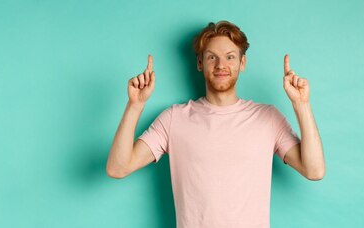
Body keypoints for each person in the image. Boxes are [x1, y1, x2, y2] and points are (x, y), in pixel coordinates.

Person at [106, 20, 325, 228]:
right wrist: (135, 105)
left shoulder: (267, 118)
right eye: (212, 57)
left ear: (242, 63)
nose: (221, 65)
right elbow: (118, 167)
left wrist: (301, 104)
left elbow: (314, 170)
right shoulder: (174, 119)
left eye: (230, 57)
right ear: (200, 63)